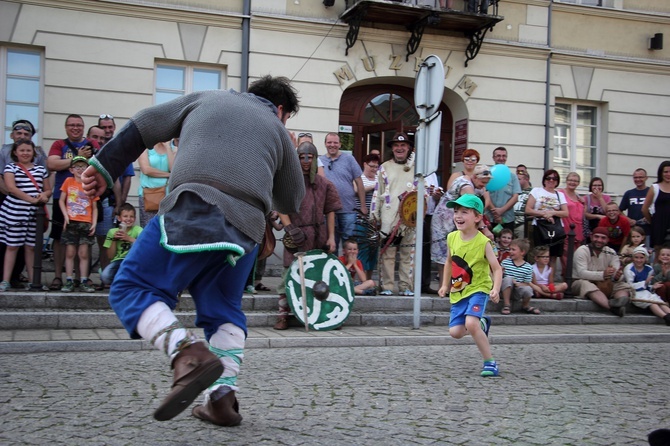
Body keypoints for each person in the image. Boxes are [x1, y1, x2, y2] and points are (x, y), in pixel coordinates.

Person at [81, 75, 304, 425]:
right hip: (246, 229)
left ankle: (187, 354)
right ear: (281, 110)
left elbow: (144, 123)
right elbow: (292, 199)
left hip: (193, 205)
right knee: (225, 310)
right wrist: (273, 158)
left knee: (130, 287)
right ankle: (222, 399)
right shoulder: (278, 130)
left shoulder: (206, 97)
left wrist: (104, 167)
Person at [274, 141, 340, 330]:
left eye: (309, 157)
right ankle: (282, 316)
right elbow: (280, 205)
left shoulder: (325, 184)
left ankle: (324, 315)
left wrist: (331, 237)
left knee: (319, 276)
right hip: (296, 236)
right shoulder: (288, 182)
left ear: (315, 159)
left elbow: (331, 211)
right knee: (289, 274)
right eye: (301, 157)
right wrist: (289, 228)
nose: (305, 161)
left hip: (318, 236)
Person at [437, 194, 501, 377]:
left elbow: (497, 269)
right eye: (456, 211)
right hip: (459, 290)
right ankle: (481, 322)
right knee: (455, 333)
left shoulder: (483, 242)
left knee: (470, 324)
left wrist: (495, 288)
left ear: (477, 217)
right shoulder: (452, 237)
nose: (458, 216)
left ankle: (490, 362)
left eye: (464, 212)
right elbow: (449, 262)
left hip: (479, 288)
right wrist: (444, 285)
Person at [47, 114, 99, 291]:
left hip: (87, 198)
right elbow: (52, 164)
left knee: (84, 243)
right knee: (60, 239)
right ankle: (58, 277)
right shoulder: (59, 144)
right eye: (71, 125)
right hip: (62, 196)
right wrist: (77, 156)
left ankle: (81, 278)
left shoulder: (93, 144)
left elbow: (100, 163)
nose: (75, 128)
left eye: (79, 125)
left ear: (83, 127)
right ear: (66, 127)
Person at [0, 120, 48, 287]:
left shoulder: (41, 169)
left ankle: (32, 280)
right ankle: (5, 279)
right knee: (12, 246)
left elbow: (47, 188)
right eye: (22, 150)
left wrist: (44, 196)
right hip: (14, 211)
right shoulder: (10, 168)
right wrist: (32, 200)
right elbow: (11, 188)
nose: (26, 153)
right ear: (15, 152)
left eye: (28, 150)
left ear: (33, 152)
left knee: (30, 247)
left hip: (33, 213)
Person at [371, 132, 417, 296]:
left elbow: (423, 192)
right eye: (396, 145)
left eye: (403, 145)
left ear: (408, 148)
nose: (399, 148)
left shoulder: (417, 168)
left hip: (410, 219)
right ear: (392, 148)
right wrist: (374, 215)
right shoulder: (384, 167)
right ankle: (387, 286)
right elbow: (378, 192)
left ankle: (406, 287)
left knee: (407, 254)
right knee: (388, 254)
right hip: (388, 217)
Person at [432, 164, 493, 271]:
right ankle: (444, 286)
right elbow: (475, 210)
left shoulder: (475, 184)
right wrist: (485, 229)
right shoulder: (466, 187)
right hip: (444, 223)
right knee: (445, 260)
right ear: (474, 177)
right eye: (483, 182)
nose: (484, 186)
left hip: (457, 222)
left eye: (486, 183)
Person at [319, 132, 366, 251]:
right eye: (329, 142)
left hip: (348, 210)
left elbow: (359, 182)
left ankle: (349, 268)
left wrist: (363, 205)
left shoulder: (349, 159)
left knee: (349, 243)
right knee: (331, 244)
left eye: (335, 142)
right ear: (325, 144)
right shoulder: (319, 161)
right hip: (329, 211)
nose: (332, 145)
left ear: (340, 144)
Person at [571, 227, 633, 317]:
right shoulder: (582, 250)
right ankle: (612, 308)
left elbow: (615, 272)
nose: (599, 240)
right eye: (596, 237)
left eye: (603, 238)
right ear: (591, 237)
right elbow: (582, 273)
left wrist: (617, 276)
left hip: (605, 283)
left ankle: (619, 301)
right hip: (579, 282)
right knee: (586, 285)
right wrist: (603, 274)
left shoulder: (611, 252)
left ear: (607, 240)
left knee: (623, 286)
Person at [59, 156, 99, 293]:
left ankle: (83, 280)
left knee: (83, 253)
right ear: (71, 169)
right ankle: (69, 279)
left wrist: (93, 223)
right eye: (77, 166)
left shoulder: (90, 183)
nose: (80, 169)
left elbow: (95, 206)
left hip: (85, 222)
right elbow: (61, 200)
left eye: (83, 166)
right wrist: (65, 216)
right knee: (70, 252)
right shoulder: (68, 181)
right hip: (72, 221)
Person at [524, 169, 568, 270]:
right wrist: (544, 214)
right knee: (540, 254)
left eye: (554, 178)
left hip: (555, 227)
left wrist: (552, 213)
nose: (551, 180)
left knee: (553, 256)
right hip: (540, 226)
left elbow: (566, 213)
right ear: (544, 180)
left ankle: (550, 282)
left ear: (557, 181)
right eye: (549, 178)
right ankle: (539, 281)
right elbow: (528, 209)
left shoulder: (559, 195)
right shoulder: (536, 191)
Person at [623, 246, 670, 325]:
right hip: (635, 292)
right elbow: (630, 285)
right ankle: (665, 317)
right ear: (633, 258)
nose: (639, 260)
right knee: (652, 303)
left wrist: (652, 286)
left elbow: (649, 284)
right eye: (636, 257)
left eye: (641, 258)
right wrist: (645, 283)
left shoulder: (648, 269)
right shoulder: (629, 268)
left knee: (659, 301)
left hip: (646, 291)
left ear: (645, 259)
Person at [101, 203, 142, 285]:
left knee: (136, 243)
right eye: (125, 216)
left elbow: (145, 246)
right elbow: (110, 256)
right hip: (118, 261)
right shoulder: (112, 232)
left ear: (135, 218)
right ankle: (124, 280)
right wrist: (114, 240)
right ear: (119, 218)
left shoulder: (138, 230)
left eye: (131, 216)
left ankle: (126, 280)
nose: (128, 219)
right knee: (105, 277)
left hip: (133, 261)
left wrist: (129, 238)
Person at [354, 154, 380, 280]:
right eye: (371, 166)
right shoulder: (359, 178)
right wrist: (374, 187)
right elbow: (356, 190)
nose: (374, 169)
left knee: (373, 253)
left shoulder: (380, 179)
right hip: (361, 220)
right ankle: (361, 280)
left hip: (375, 223)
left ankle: (368, 280)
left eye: (376, 166)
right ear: (364, 164)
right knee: (362, 251)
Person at [138, 141, 175, 227]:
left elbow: (173, 169)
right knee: (148, 227)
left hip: (167, 196)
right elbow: (146, 170)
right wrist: (168, 175)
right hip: (149, 195)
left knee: (166, 228)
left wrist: (168, 147)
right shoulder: (145, 148)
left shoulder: (174, 149)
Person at [500, 238, 540, 315]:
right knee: (508, 279)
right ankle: (507, 305)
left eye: (513, 249)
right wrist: (501, 272)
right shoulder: (506, 262)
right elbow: (500, 277)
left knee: (528, 289)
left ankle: (525, 305)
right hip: (505, 290)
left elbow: (527, 283)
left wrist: (517, 284)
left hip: (518, 291)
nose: (510, 251)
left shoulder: (528, 267)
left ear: (522, 252)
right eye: (510, 249)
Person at [557, 171, 586, 274]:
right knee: (566, 257)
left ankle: (574, 280)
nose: (572, 183)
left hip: (578, 230)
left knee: (577, 257)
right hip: (566, 229)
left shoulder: (578, 196)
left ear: (578, 183)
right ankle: (567, 281)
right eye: (570, 180)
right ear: (566, 181)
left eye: (575, 181)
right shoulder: (560, 193)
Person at [487, 147, 520, 232]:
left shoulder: (512, 177)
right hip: (489, 218)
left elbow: (515, 197)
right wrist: (495, 213)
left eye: (504, 156)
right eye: (498, 156)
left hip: (507, 219)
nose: (501, 158)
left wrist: (502, 210)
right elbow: (485, 194)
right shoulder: (487, 175)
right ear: (493, 158)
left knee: (507, 245)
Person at [642, 160, 670, 249]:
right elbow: (644, 209)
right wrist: (653, 221)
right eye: (666, 172)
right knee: (658, 252)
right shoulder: (655, 187)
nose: (668, 174)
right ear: (661, 173)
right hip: (659, 224)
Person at [619, 168, 651, 237]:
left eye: (640, 177)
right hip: (633, 231)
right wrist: (628, 220)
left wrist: (650, 217)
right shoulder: (629, 193)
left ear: (646, 178)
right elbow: (619, 210)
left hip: (648, 231)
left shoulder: (651, 192)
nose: (638, 179)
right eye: (635, 177)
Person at [513, 168, 532, 239]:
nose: (516, 181)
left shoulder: (533, 192)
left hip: (522, 223)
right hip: (511, 222)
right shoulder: (514, 191)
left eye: (519, 179)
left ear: (526, 179)